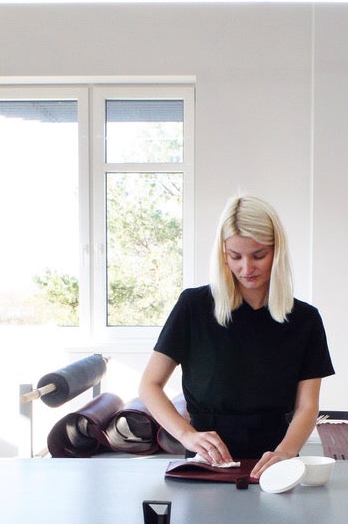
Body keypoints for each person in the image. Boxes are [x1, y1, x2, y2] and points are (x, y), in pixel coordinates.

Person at [139, 195, 334, 481]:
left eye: (258, 255)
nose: (246, 268)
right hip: (206, 462)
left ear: (277, 251)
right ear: (223, 254)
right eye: (235, 256)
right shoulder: (193, 306)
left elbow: (307, 406)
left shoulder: (305, 319)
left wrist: (286, 452)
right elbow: (149, 385)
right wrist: (187, 435)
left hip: (276, 463)